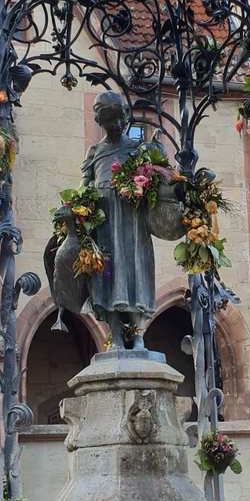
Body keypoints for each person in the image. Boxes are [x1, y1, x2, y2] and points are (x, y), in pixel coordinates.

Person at [81, 91, 157, 349]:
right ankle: (114, 335)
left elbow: (153, 184)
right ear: (101, 122)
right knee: (107, 277)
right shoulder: (95, 151)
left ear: (125, 119)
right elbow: (85, 188)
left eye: (118, 121)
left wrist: (142, 185)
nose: (115, 127)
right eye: (109, 122)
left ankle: (137, 336)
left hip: (132, 224)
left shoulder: (137, 148)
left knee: (134, 273)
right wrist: (81, 205)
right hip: (104, 225)